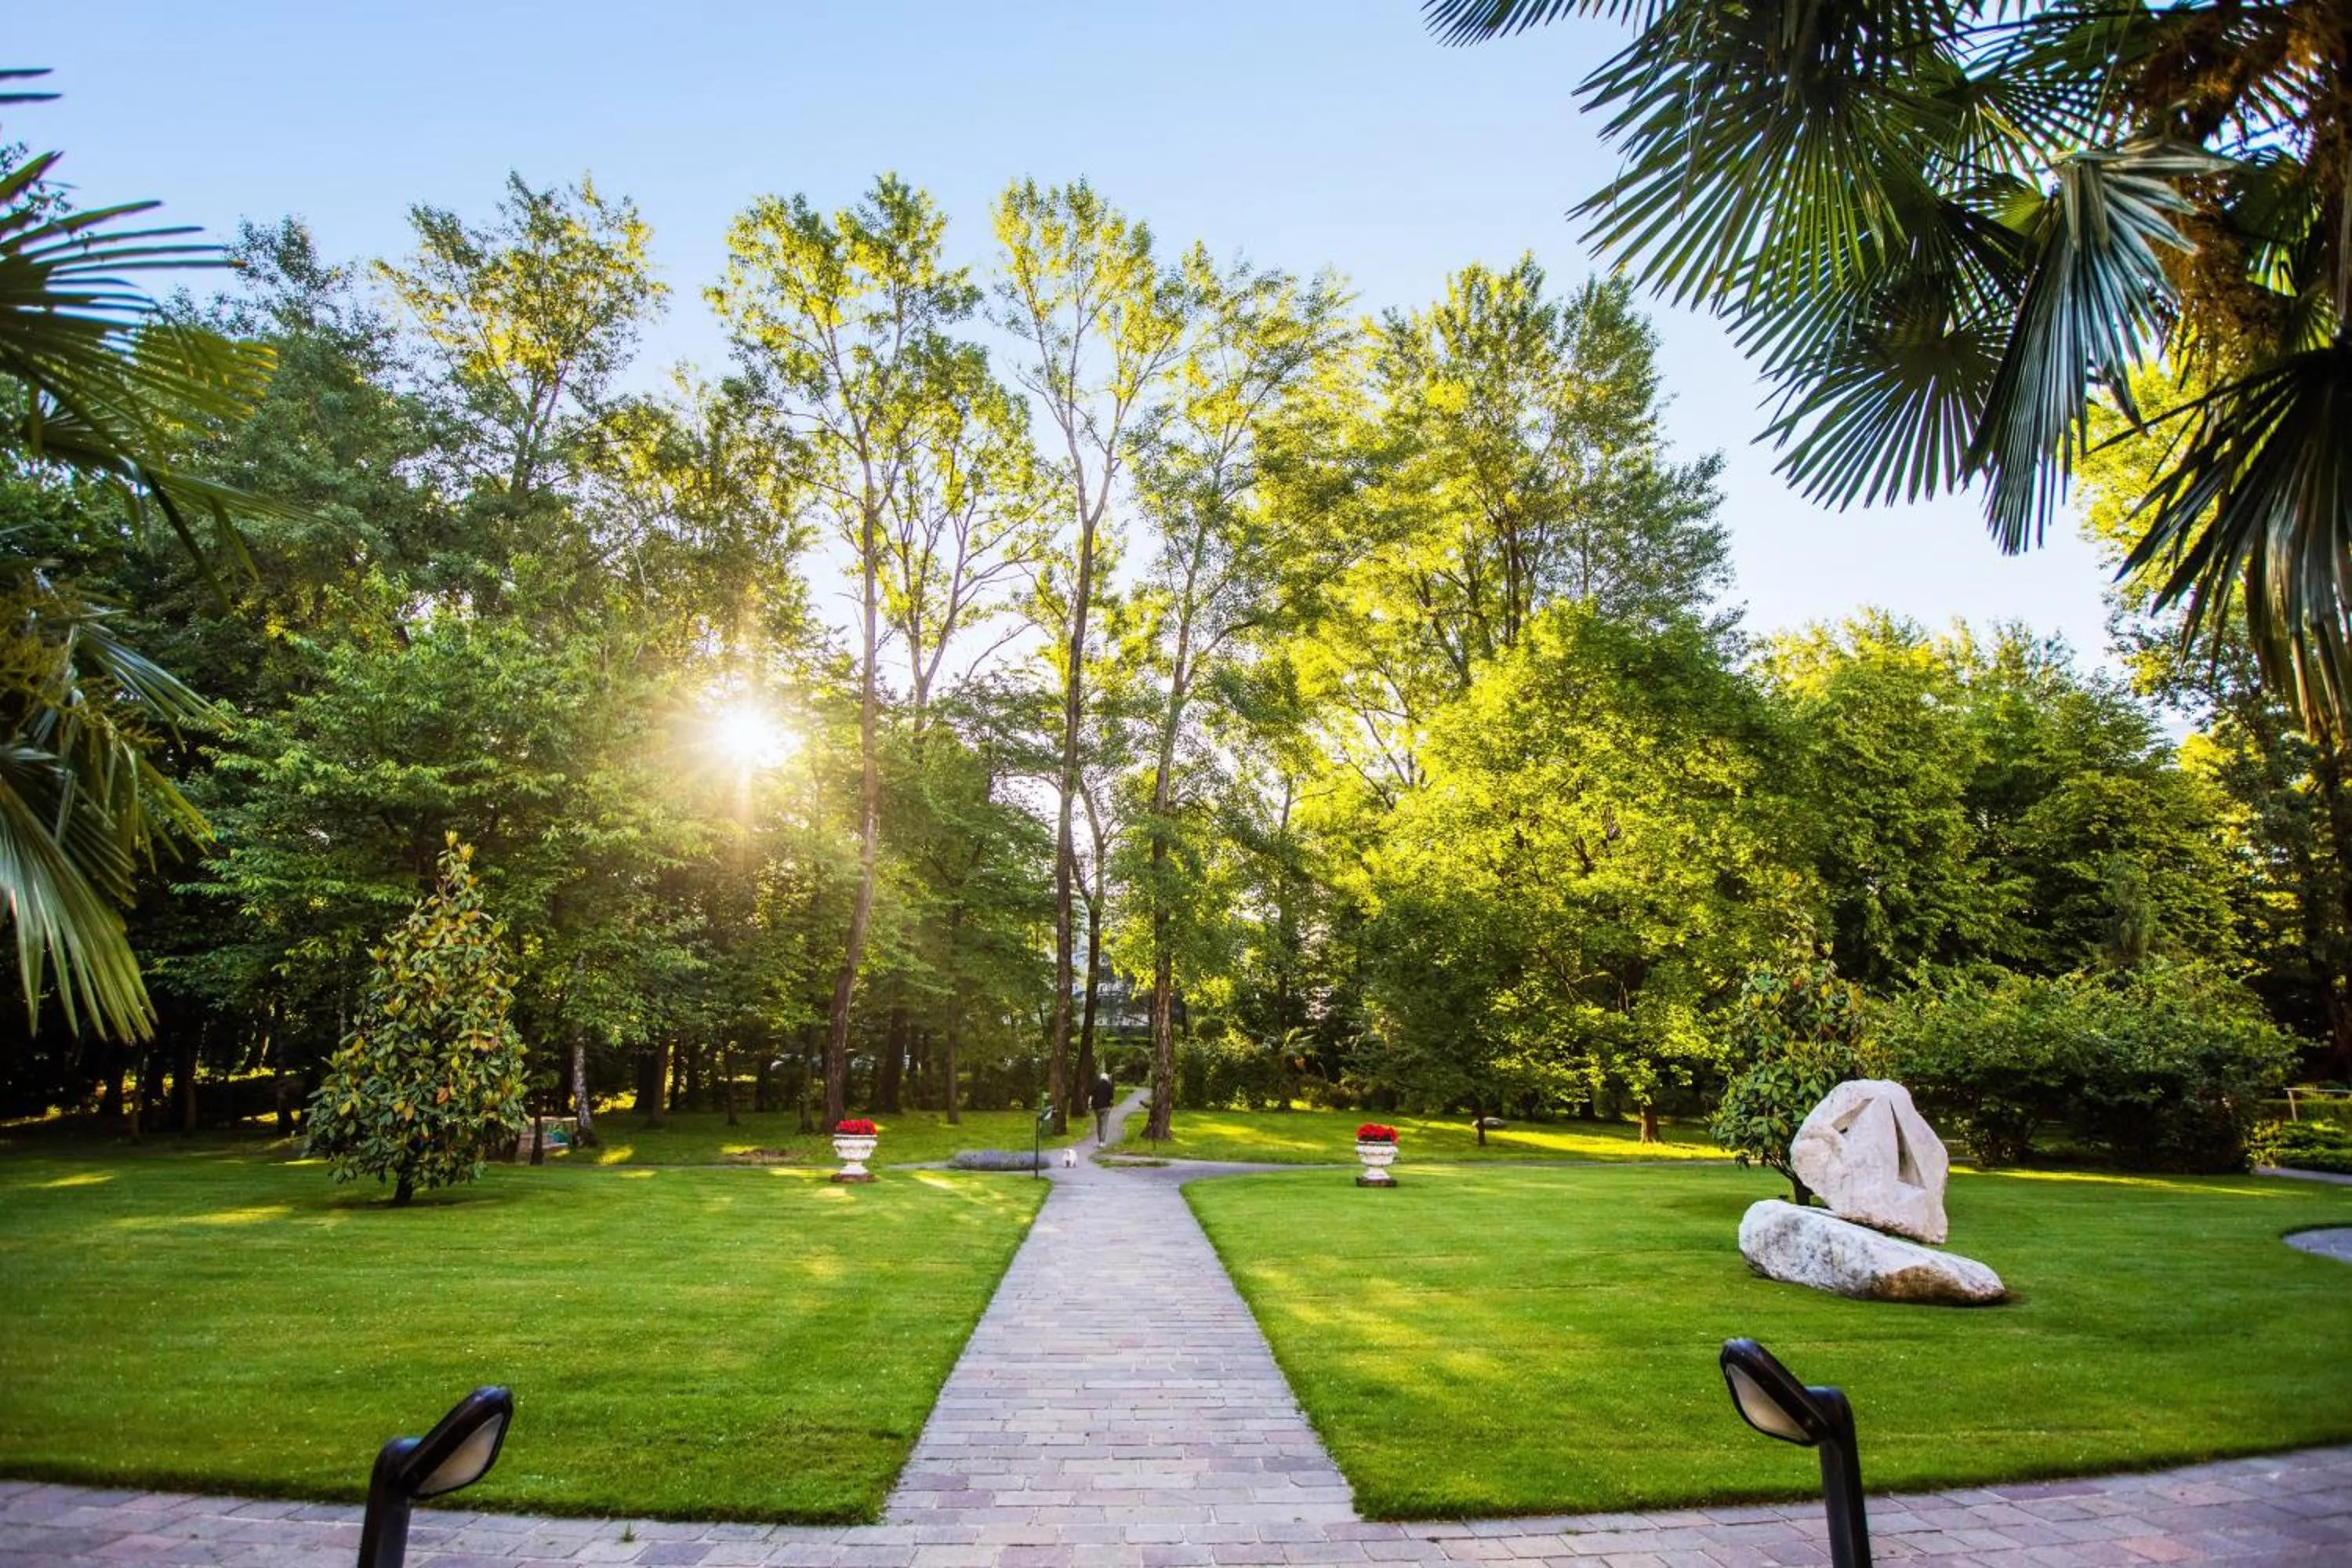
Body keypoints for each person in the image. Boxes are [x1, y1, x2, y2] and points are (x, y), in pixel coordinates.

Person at [1091, 1071, 1115, 1142]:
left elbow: (1092, 1095)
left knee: (1099, 1124)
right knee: (1104, 1124)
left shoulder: (1097, 1085)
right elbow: (1111, 1097)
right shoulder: (1109, 1086)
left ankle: (1099, 1140)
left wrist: (1091, 1105)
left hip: (1097, 1107)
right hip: (1106, 1107)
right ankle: (1102, 1141)